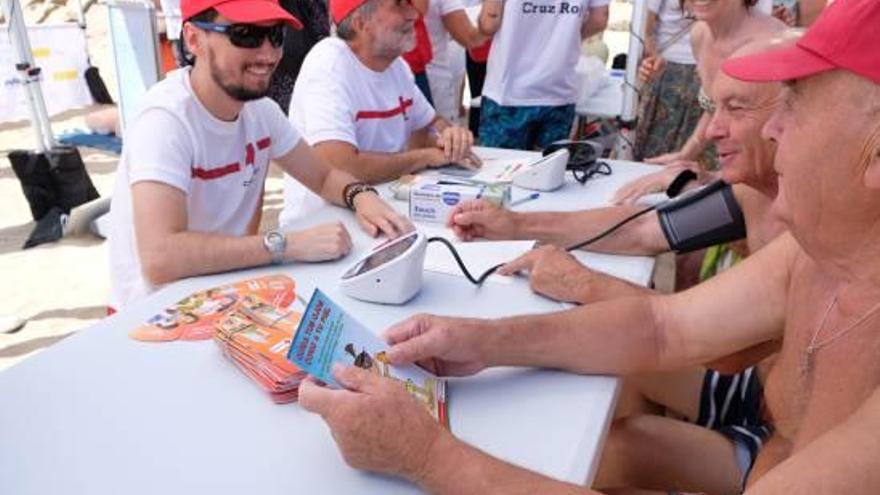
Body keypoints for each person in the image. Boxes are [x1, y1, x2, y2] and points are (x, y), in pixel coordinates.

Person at [297, 1, 880, 492]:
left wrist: (426, 456)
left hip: (763, 451)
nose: (774, 130)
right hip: (768, 430)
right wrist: (478, 339)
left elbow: (696, 342)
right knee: (604, 433)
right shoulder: (817, 248)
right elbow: (663, 327)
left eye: (796, 104)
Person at [107, 0, 411, 309]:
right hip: (152, 315)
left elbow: (325, 176)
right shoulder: (165, 120)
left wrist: (361, 196)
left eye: (276, 35)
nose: (267, 54)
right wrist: (285, 245)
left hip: (223, 295)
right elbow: (161, 257)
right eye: (245, 35)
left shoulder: (260, 112)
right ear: (194, 39)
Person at [278, 0, 478, 226]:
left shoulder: (396, 66)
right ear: (361, 22)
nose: (414, 14)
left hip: (382, 216)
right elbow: (338, 165)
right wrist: (425, 157)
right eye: (399, 5)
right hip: (325, 229)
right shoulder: (329, 63)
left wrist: (451, 136)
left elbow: (427, 128)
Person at [476, 0, 609, 150]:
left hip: (509, 93)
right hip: (559, 90)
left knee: (501, 168)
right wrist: (567, 38)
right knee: (550, 169)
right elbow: (599, 19)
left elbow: (488, 24)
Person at [423, 0, 489, 124]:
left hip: (400, 75)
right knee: (443, 137)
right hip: (434, 79)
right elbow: (470, 38)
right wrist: (492, 16)